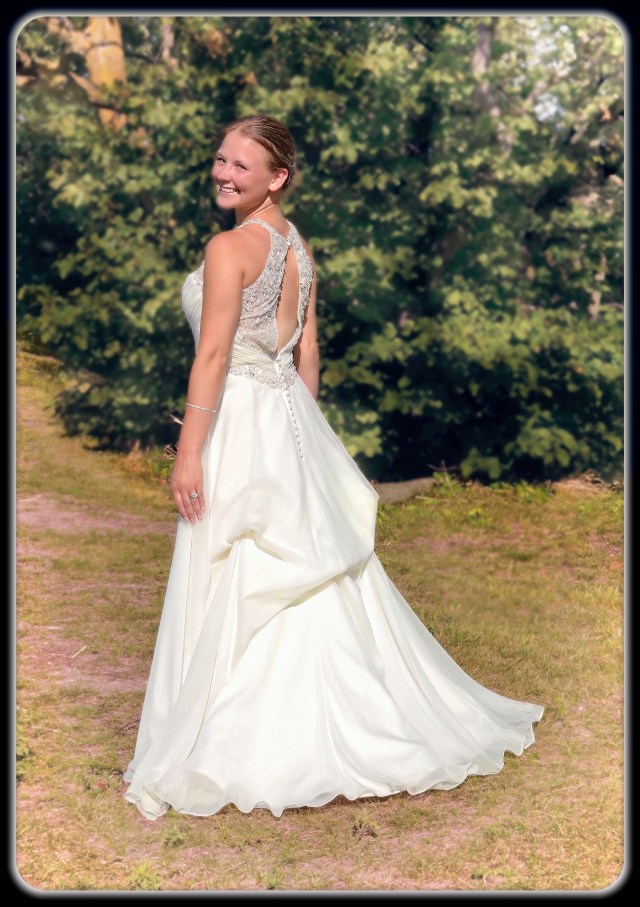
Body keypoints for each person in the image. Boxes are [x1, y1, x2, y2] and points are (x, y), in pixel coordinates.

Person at [123, 115, 543, 820]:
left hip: (244, 421)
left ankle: (251, 740)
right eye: (221, 160)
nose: (224, 173)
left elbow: (216, 356)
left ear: (277, 177)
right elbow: (305, 355)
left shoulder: (229, 246)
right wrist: (301, 438)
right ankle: (354, 715)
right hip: (287, 417)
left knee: (243, 565)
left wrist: (191, 448)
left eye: (241, 166)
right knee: (303, 569)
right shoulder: (295, 243)